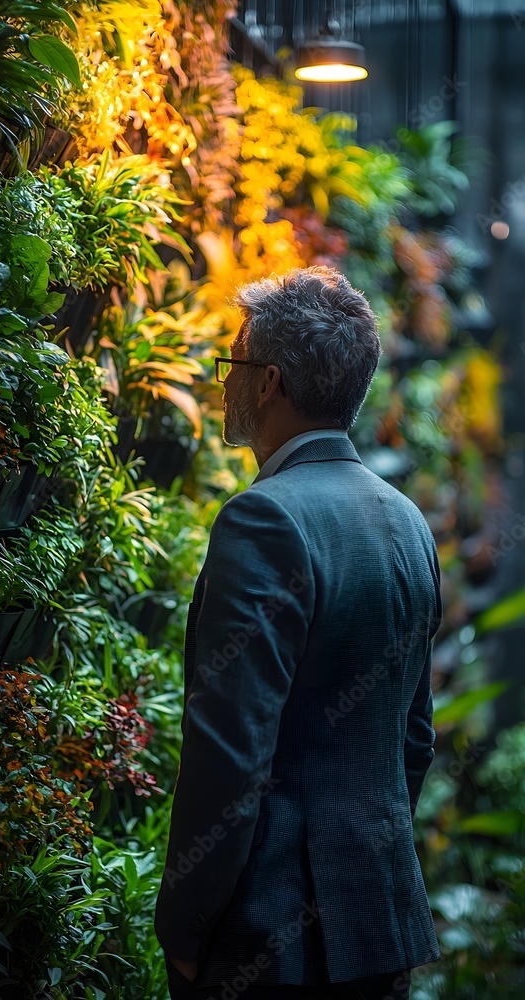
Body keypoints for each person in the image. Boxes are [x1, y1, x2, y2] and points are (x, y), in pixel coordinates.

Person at [154, 266, 442, 1000]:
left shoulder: (264, 518)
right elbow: (412, 739)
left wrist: (185, 932)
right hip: (379, 932)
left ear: (269, 382)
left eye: (233, 364)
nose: (223, 384)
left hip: (267, 944)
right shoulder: (408, 522)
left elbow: (229, 755)